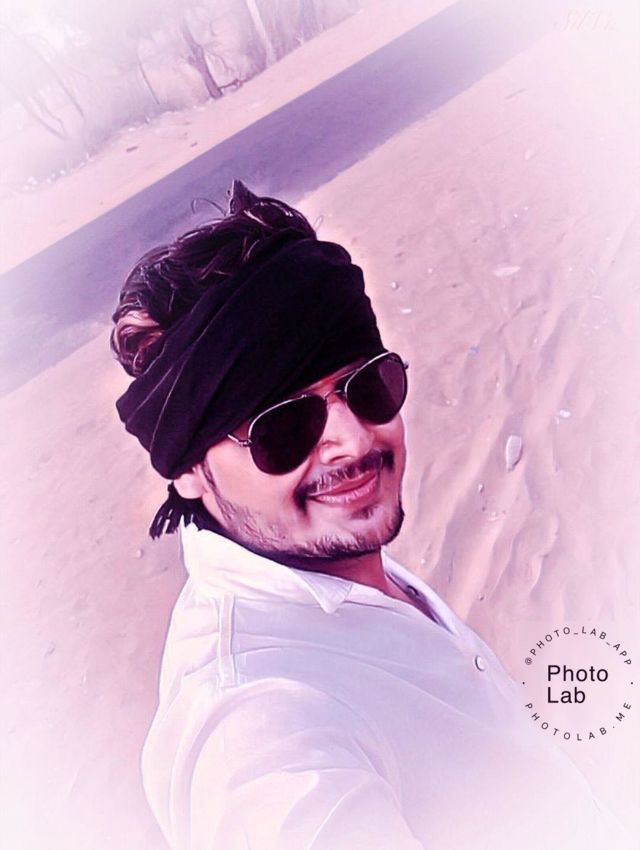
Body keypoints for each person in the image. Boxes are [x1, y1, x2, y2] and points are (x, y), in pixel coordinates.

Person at [111, 181, 631, 850]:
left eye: (367, 387)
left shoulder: (331, 560)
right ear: (188, 469)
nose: (354, 442)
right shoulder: (254, 727)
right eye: (284, 428)